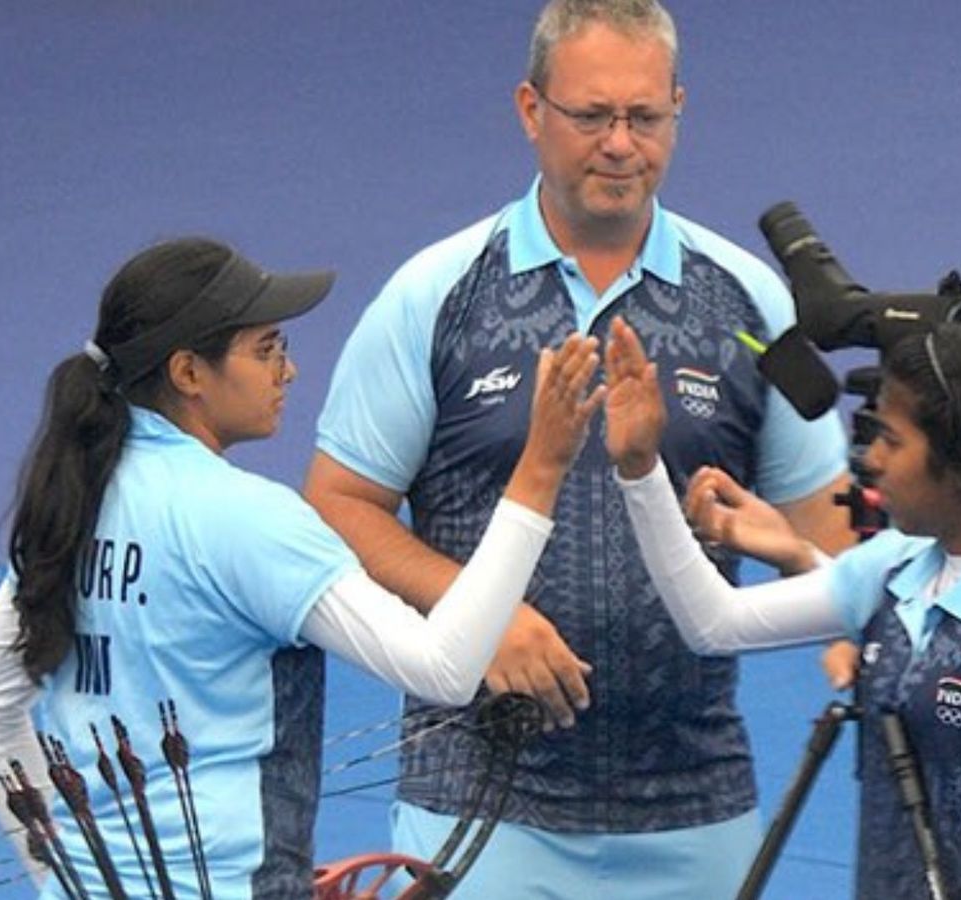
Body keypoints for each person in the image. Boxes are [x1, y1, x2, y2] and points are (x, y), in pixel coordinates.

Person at [301, 0, 853, 893]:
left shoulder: (752, 308)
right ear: (531, 112)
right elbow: (337, 503)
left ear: (679, 108)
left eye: (645, 116)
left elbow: (828, 526)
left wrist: (834, 607)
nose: (621, 144)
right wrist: (474, 615)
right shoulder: (436, 296)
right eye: (591, 116)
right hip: (477, 807)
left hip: (698, 805)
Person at [0, 237, 606, 899]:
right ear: (188, 372)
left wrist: (62, 872)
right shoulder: (248, 517)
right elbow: (446, 667)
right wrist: (539, 471)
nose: (287, 371)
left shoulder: (71, 500)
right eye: (265, 350)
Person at [603, 315, 961, 898]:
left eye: (892, 440)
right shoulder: (893, 565)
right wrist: (641, 470)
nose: (871, 460)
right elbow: (715, 624)